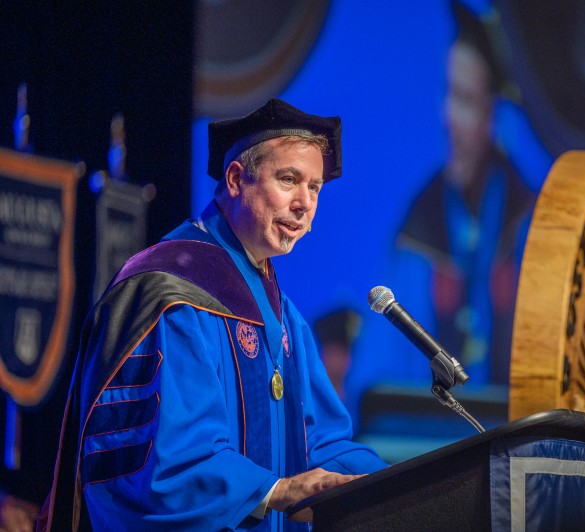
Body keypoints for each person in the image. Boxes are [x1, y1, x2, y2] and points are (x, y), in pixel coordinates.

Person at [40, 98, 387, 531]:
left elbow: (320, 440)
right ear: (237, 179)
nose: (304, 203)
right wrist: (274, 491)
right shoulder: (169, 296)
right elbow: (167, 464)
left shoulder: (284, 317)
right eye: (289, 179)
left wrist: (396, 484)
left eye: (314, 187)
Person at [346, 2, 536, 422]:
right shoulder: (419, 229)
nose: (448, 118)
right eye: (448, 94)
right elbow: (376, 387)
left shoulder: (533, 227)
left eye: (466, 101)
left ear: (496, 115)